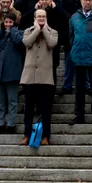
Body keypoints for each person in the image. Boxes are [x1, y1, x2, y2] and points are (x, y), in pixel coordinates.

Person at [21, 8, 59, 147]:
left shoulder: (53, 32)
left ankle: (45, 136)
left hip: (45, 78)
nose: (41, 18)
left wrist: (44, 29)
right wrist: (37, 29)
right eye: (39, 16)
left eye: (43, 16)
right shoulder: (28, 31)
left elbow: (52, 43)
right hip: (29, 77)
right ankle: (26, 135)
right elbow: (27, 43)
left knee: (45, 110)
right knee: (29, 109)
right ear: (34, 18)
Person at [0, 16, 25, 134]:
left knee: (12, 100)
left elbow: (19, 41)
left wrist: (13, 30)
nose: (8, 24)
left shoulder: (20, 32)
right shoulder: (1, 33)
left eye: (10, 22)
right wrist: (2, 30)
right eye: (6, 22)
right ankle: (0, 123)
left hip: (12, 71)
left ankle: (11, 124)